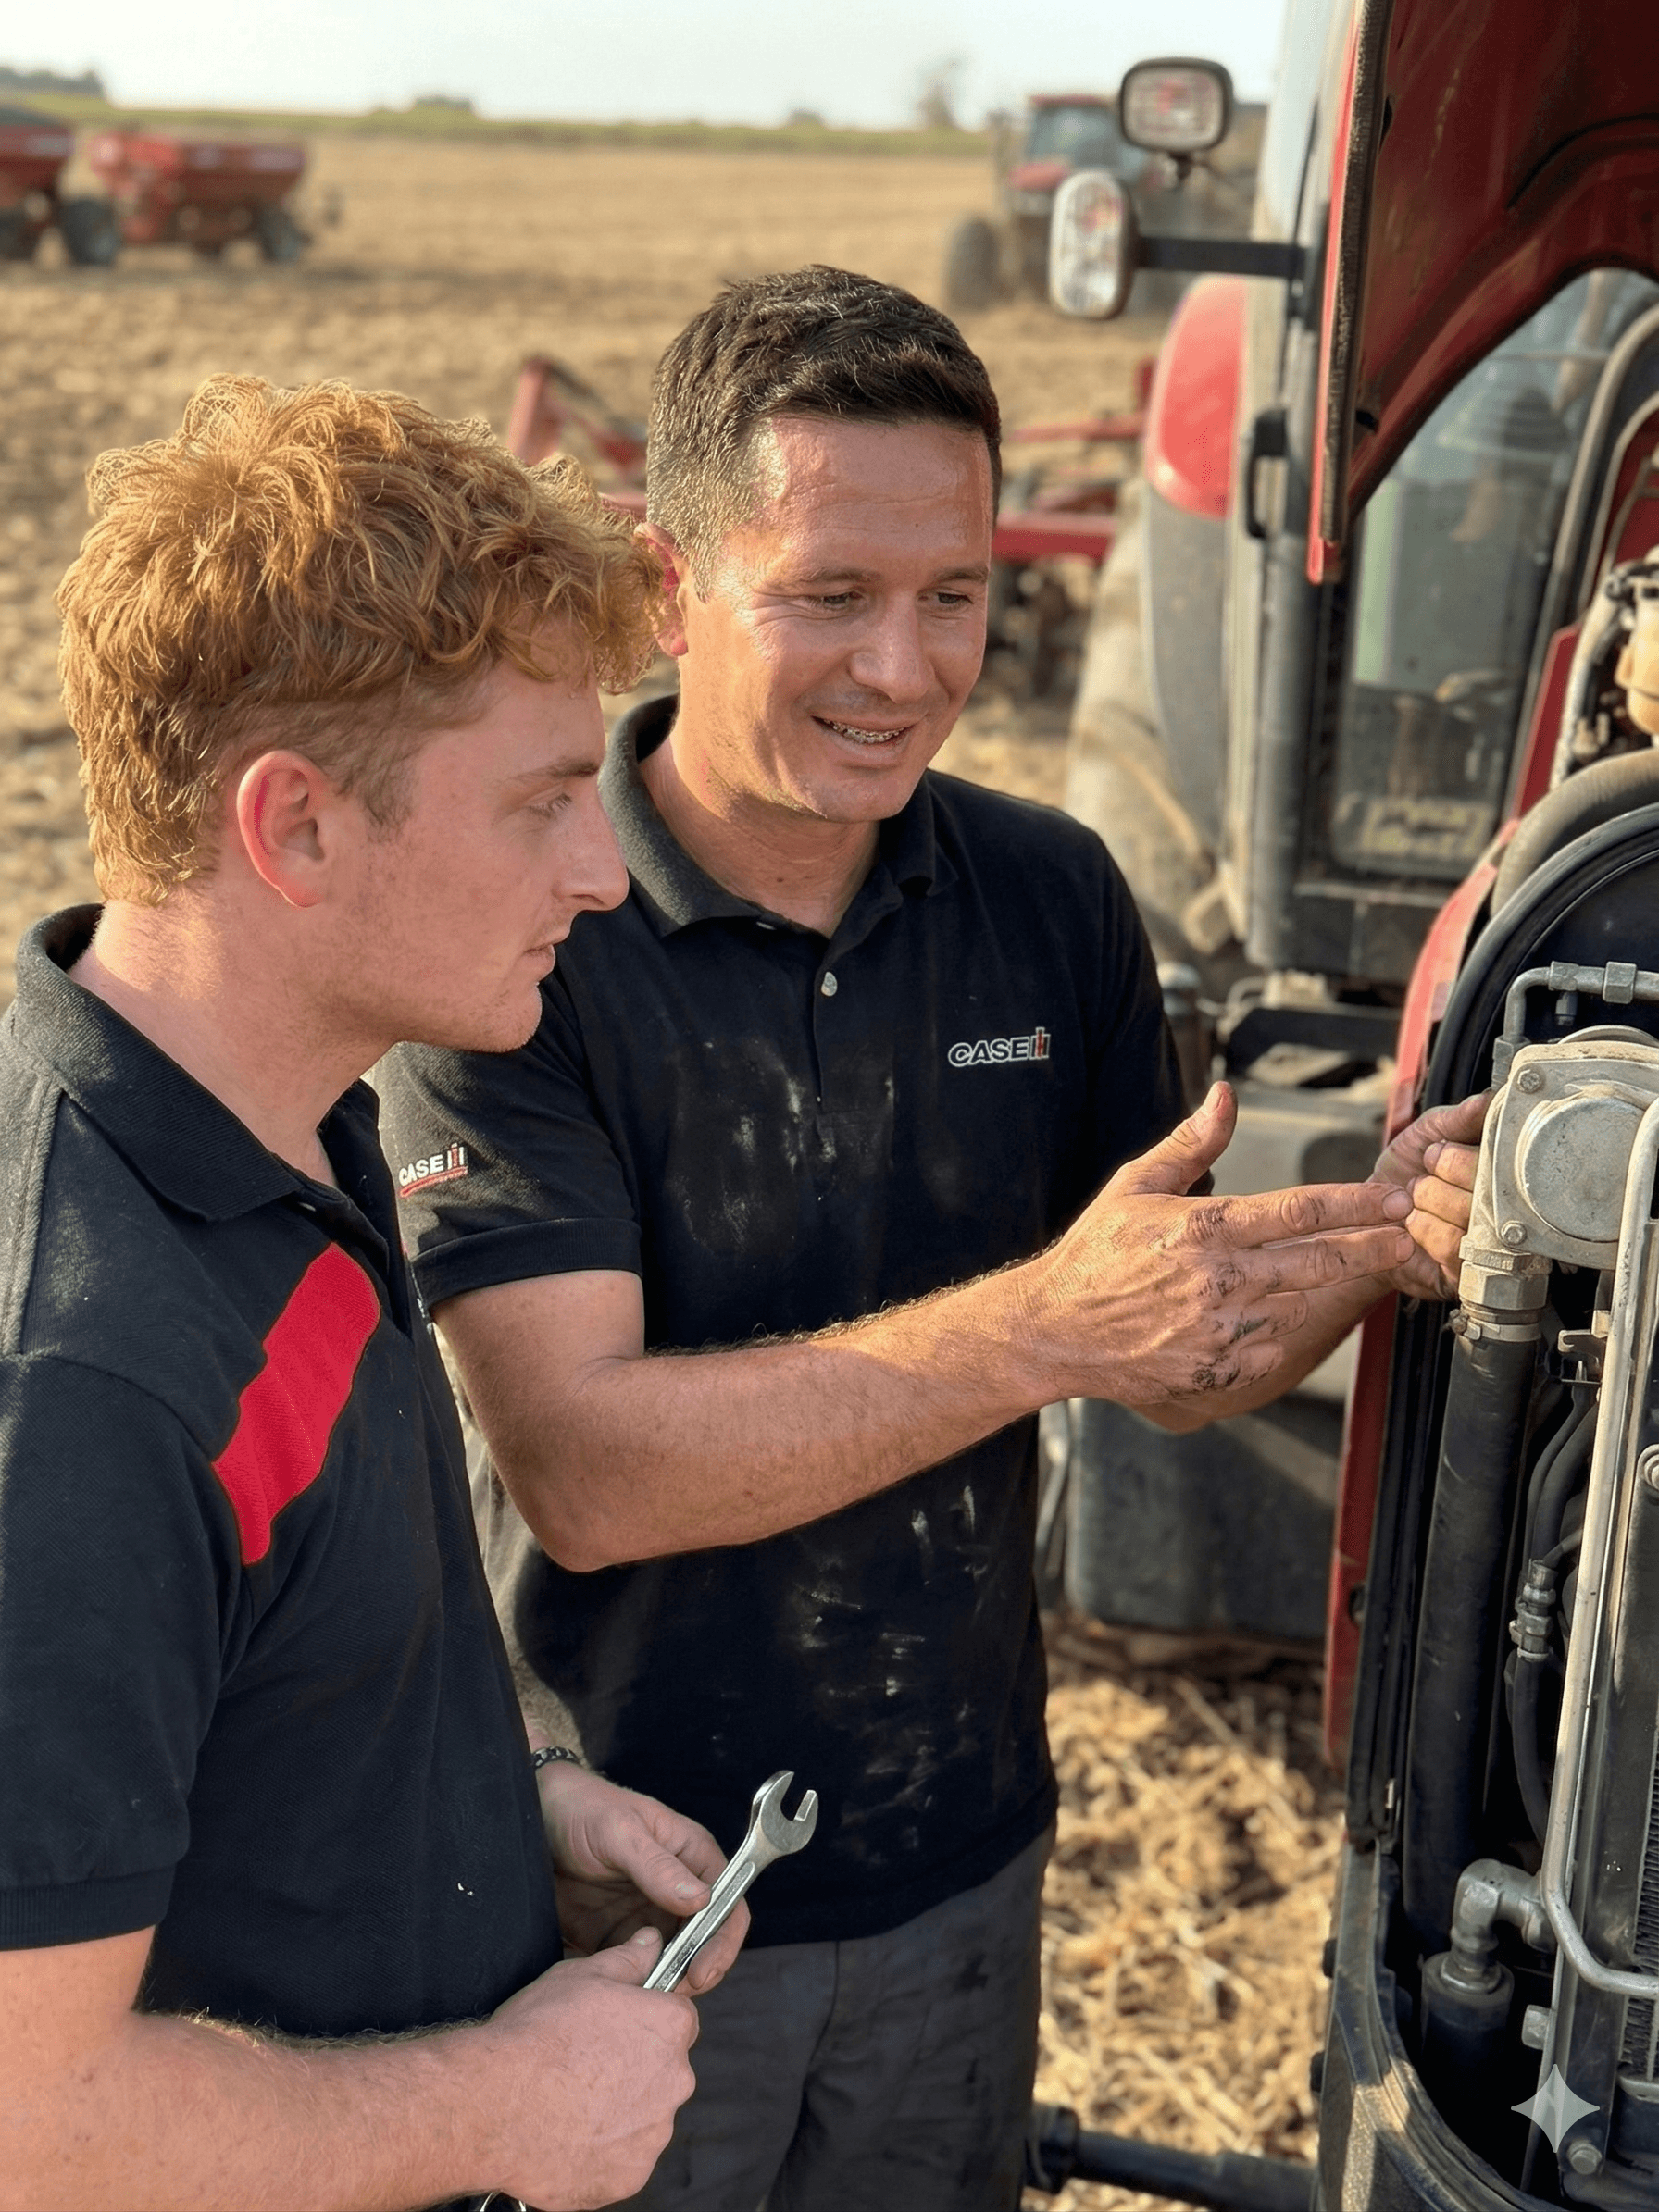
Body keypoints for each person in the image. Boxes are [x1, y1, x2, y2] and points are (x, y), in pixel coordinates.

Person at [377, 269, 1484, 2212]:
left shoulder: (1048, 898)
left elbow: (1168, 1349)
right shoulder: (527, 930)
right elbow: (589, 1473)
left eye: (955, 595)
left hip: (957, 1873)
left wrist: (1383, 1230)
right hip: (610, 1889)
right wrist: (1043, 1327)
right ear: (668, 586)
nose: (901, 667)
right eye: (829, 594)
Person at [0, 375, 752, 2212]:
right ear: (297, 829)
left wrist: (514, 1804)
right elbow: (28, 2116)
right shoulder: (88, 1376)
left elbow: (269, 1678)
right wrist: (492, 2111)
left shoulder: (283, 1123)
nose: (601, 871)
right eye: (540, 804)